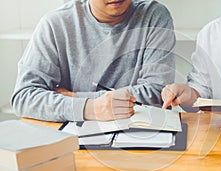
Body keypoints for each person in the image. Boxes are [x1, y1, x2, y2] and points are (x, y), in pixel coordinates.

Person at [11, 0, 176, 122]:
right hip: (71, 135)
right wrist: (89, 109)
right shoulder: (56, 23)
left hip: (139, 130)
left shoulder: (154, 15)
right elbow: (24, 98)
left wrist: (77, 98)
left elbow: (158, 93)